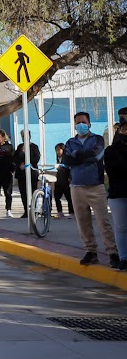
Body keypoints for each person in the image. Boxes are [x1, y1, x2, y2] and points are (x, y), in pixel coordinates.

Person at [63, 112, 118, 268]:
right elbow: (67, 160)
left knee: (103, 222)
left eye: (84, 122)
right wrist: (78, 156)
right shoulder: (70, 142)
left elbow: (96, 155)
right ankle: (90, 251)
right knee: (83, 223)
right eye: (78, 122)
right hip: (76, 187)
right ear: (74, 125)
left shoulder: (98, 139)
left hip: (95, 186)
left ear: (89, 124)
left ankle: (112, 252)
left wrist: (76, 156)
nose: (81, 125)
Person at [104, 119, 127, 271]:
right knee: (121, 228)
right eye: (124, 130)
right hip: (118, 194)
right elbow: (113, 170)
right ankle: (124, 258)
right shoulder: (111, 150)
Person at [13, 130, 41, 218]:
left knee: (33, 192)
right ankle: (26, 211)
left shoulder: (34, 147)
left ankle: (34, 210)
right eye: (22, 136)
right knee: (23, 193)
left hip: (32, 173)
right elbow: (15, 158)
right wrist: (20, 163)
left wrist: (27, 163)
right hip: (22, 174)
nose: (24, 137)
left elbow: (36, 158)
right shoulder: (20, 147)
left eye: (26, 135)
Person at [53, 142, 73, 218]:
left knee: (68, 197)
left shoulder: (67, 157)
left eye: (59, 150)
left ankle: (71, 212)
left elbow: (69, 167)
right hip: (59, 179)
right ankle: (60, 212)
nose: (58, 152)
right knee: (56, 196)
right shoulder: (58, 158)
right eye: (56, 151)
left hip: (66, 179)